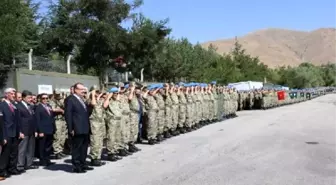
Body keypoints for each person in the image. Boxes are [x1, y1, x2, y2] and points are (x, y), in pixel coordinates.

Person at [64, 83, 92, 173]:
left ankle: (83, 163)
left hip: (85, 127)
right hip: (77, 128)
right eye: (81, 89)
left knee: (84, 147)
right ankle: (76, 166)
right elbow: (68, 115)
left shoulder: (81, 99)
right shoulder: (70, 99)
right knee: (77, 148)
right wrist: (70, 128)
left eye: (84, 89)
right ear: (75, 90)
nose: (83, 91)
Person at [0, 88, 22, 181]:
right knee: (5, 153)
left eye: (14, 94)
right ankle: (2, 171)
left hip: (14, 132)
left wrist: (20, 131)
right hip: (7, 133)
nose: (14, 95)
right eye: (12, 94)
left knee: (14, 152)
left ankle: (12, 168)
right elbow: (1, 123)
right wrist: (3, 136)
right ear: (6, 95)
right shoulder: (2, 105)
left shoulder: (14, 106)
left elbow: (17, 120)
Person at [16, 90, 38, 171]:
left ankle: (29, 164)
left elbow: (33, 119)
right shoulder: (18, 106)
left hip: (31, 130)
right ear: (23, 98)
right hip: (24, 131)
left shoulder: (30, 106)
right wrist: (20, 131)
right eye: (29, 98)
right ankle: (20, 165)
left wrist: (35, 130)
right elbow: (18, 120)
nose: (30, 99)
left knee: (31, 148)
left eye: (31, 98)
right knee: (22, 149)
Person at [35, 93, 56, 166]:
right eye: (43, 98)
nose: (45, 100)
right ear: (40, 99)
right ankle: (42, 160)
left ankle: (47, 159)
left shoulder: (49, 106)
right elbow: (38, 120)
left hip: (50, 129)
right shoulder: (38, 107)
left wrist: (54, 128)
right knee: (42, 146)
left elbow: (52, 118)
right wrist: (40, 131)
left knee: (48, 146)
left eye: (47, 98)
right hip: (43, 130)